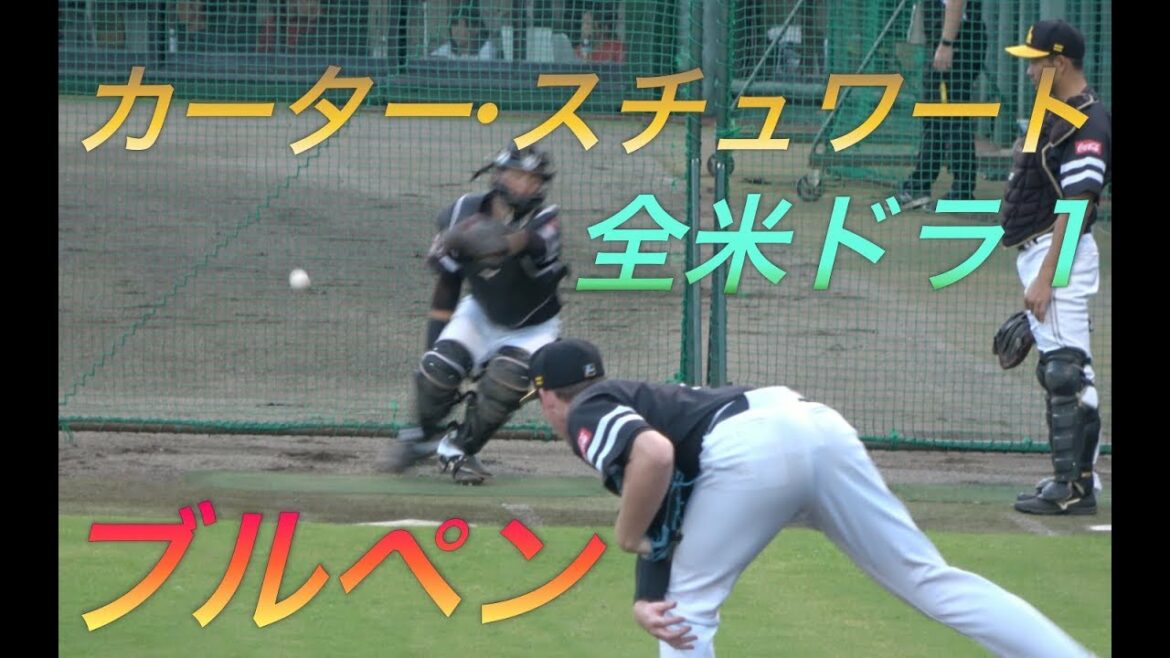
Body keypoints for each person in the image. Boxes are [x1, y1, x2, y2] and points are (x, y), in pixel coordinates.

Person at [527, 338, 1095, 658]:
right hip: (815, 424)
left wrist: (626, 537)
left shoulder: (585, 412)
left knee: (687, 612)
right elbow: (668, 501)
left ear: (549, 398)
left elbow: (653, 459)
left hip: (750, 450)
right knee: (930, 580)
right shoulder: (641, 396)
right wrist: (647, 586)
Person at [376, 144, 565, 485]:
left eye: (533, 180)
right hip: (480, 312)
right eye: (518, 175)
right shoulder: (461, 212)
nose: (525, 185)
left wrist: (497, 242)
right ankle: (422, 437)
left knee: (507, 382)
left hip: (533, 327)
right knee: (435, 370)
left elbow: (529, 242)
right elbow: (448, 285)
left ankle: (460, 446)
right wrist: (433, 349)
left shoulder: (546, 221)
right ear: (498, 175)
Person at [997, 20, 1110, 516]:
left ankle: (1074, 488)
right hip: (1042, 253)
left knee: (1066, 373)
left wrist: (1047, 277)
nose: (1028, 71)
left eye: (1035, 62)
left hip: (1058, 254)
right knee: (1063, 367)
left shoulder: (1089, 121)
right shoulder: (1054, 112)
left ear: (1059, 63)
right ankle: (1075, 480)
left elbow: (1079, 204)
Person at [896, 0, 989, 210]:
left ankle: (948, 188)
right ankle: (926, 184)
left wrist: (946, 43)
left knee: (948, 117)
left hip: (956, 43)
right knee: (940, 116)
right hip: (954, 40)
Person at [430, 5, 495, 60]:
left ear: (476, 29)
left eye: (462, 25)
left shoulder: (486, 48)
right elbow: (431, 59)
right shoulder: (448, 47)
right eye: (454, 25)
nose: (455, 33)